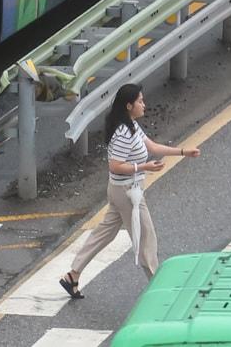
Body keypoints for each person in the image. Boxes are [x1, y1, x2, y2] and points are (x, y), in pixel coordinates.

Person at [59, 83, 201, 297]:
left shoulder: (132, 126)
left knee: (105, 233)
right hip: (127, 192)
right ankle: (158, 288)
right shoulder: (123, 132)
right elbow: (115, 165)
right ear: (128, 105)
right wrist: (143, 167)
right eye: (140, 101)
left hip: (122, 189)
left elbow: (152, 147)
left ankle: (73, 275)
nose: (144, 104)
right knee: (146, 236)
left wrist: (182, 151)